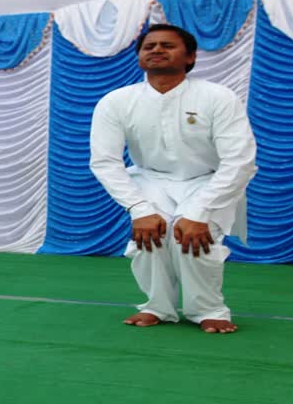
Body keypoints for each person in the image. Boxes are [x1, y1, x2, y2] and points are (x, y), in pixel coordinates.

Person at [89, 23, 257, 333]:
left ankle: (208, 309)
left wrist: (200, 212)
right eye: (149, 46)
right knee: (149, 239)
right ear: (140, 56)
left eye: (167, 45)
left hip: (208, 181)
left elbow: (240, 160)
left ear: (190, 57)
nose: (156, 50)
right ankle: (157, 306)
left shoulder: (218, 97)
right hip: (150, 180)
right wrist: (139, 208)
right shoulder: (116, 101)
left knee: (195, 241)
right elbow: (104, 161)